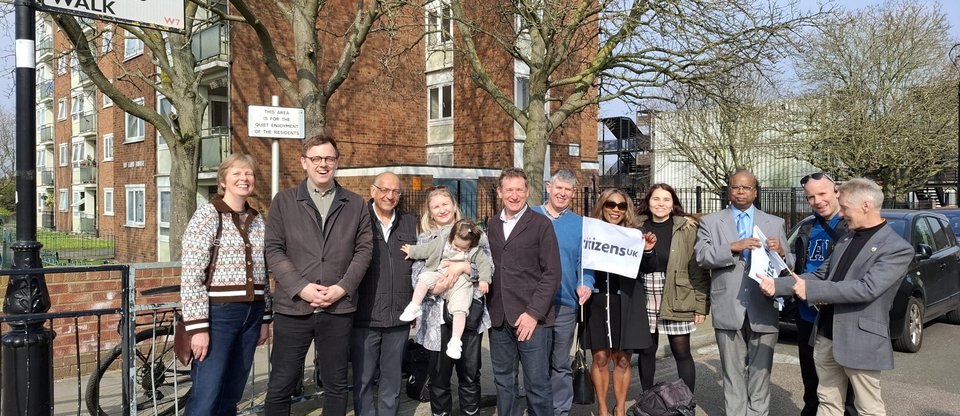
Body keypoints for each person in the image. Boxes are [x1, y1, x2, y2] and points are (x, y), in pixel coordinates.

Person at [760, 178, 912, 416]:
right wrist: (776, 284)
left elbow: (866, 288)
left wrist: (810, 291)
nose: (840, 214)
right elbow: (820, 274)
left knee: (867, 408)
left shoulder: (897, 248)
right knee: (827, 402)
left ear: (866, 205)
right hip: (826, 334)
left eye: (844, 208)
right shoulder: (847, 238)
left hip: (860, 340)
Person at [263, 135, 373, 416]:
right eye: (316, 158)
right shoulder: (284, 202)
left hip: (338, 309)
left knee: (336, 384)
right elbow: (274, 250)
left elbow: (364, 251)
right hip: (293, 309)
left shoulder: (356, 204)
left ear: (336, 163)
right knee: (281, 384)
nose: (323, 164)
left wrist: (342, 288)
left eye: (329, 159)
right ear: (304, 162)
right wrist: (301, 287)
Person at [694, 169, 791, 416]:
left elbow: (790, 263)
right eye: (735, 187)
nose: (740, 192)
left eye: (746, 188)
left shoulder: (775, 222)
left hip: (764, 305)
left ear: (755, 192)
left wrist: (781, 252)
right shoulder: (711, 222)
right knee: (732, 372)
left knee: (761, 370)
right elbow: (702, 257)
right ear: (729, 191)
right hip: (728, 306)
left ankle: (758, 413)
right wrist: (732, 247)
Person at [180, 153, 271, 415]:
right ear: (223, 180)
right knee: (207, 393)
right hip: (218, 315)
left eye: (249, 174)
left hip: (251, 314)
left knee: (232, 392)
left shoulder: (257, 220)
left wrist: (264, 318)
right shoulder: (208, 215)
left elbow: (262, 272)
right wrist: (198, 328)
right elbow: (191, 274)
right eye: (237, 174)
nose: (244, 178)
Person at [486, 167, 562, 416]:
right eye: (509, 189)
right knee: (504, 384)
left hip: (531, 320)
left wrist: (533, 313)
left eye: (520, 189)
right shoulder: (492, 225)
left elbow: (552, 274)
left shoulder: (541, 224)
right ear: (500, 192)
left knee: (537, 385)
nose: (515, 195)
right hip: (499, 319)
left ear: (528, 191)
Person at [412, 186, 492, 416]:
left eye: (445, 204)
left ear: (453, 204)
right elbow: (416, 273)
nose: (442, 209)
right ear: (429, 211)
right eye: (436, 206)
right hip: (435, 317)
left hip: (468, 313)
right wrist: (435, 287)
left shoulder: (475, 233)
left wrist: (465, 267)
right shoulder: (426, 238)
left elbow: (490, 267)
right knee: (439, 376)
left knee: (469, 373)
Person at [581, 188, 656, 416]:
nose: (615, 209)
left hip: (626, 302)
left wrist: (648, 251)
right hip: (597, 300)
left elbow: (648, 268)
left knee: (623, 359)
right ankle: (603, 408)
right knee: (600, 357)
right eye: (610, 205)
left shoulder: (635, 234)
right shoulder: (590, 232)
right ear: (602, 206)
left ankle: (620, 407)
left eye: (621, 206)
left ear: (627, 209)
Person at [790, 172, 857, 416]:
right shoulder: (807, 226)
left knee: (847, 390)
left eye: (822, 194)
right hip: (808, 317)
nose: (817, 201)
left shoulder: (853, 225)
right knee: (811, 384)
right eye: (811, 197)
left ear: (836, 192)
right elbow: (798, 266)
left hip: (838, 317)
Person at [351, 172, 417, 416]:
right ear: (372, 191)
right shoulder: (358, 220)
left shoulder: (410, 222)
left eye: (396, 192)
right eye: (385, 190)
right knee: (364, 380)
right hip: (364, 316)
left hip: (398, 316)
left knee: (392, 381)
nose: (390, 196)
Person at [530, 169, 594, 416]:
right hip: (533, 303)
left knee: (559, 362)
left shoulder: (580, 225)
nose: (562, 193)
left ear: (573, 193)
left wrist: (586, 282)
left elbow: (585, 263)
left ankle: (560, 410)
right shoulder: (530, 216)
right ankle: (539, 408)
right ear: (548, 187)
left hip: (565, 302)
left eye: (568, 190)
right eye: (559, 188)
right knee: (536, 363)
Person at [635, 183, 708, 393]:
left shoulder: (686, 228)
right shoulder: (635, 227)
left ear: (673, 203)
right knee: (647, 351)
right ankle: (647, 399)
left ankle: (686, 403)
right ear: (648, 202)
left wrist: (700, 305)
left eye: (666, 199)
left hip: (678, 293)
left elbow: (697, 269)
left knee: (681, 351)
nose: (661, 204)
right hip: (645, 293)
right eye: (656, 199)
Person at [400, 219, 492, 359]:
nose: (458, 250)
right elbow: (427, 249)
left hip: (461, 283)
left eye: (463, 249)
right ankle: (414, 305)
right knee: (424, 278)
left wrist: (484, 280)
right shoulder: (442, 241)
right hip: (439, 272)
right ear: (451, 237)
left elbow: (485, 265)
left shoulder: (475, 250)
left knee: (460, 309)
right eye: (456, 246)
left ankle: (455, 341)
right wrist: (412, 251)